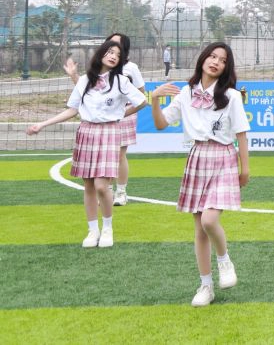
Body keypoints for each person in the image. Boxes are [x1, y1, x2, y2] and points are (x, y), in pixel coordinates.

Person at [149, 43, 250, 307]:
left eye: (223, 60)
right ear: (203, 59)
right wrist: (155, 99)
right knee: (199, 229)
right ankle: (206, 286)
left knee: (209, 219)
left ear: (227, 67)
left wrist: (245, 168)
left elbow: (241, 133)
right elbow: (160, 123)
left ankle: (224, 261)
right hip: (197, 157)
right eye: (212, 56)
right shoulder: (186, 93)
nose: (216, 62)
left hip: (224, 157)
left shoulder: (231, 95)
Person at [27, 40, 147, 248]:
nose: (113, 56)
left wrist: (120, 114)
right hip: (86, 132)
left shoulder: (121, 81)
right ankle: (93, 231)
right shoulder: (84, 80)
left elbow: (142, 101)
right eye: (110, 52)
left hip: (109, 132)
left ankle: (107, 228)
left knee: (102, 185)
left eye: (117, 55)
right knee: (89, 185)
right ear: (101, 53)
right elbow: (72, 109)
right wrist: (42, 124)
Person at [65, 32, 145, 207]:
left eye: (117, 45)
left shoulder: (130, 68)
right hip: (102, 116)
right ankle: (105, 191)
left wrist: (122, 111)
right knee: (103, 158)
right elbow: (87, 92)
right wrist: (73, 76)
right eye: (110, 43)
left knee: (120, 155)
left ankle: (121, 192)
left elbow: (141, 95)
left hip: (122, 114)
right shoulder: (99, 66)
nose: (112, 49)